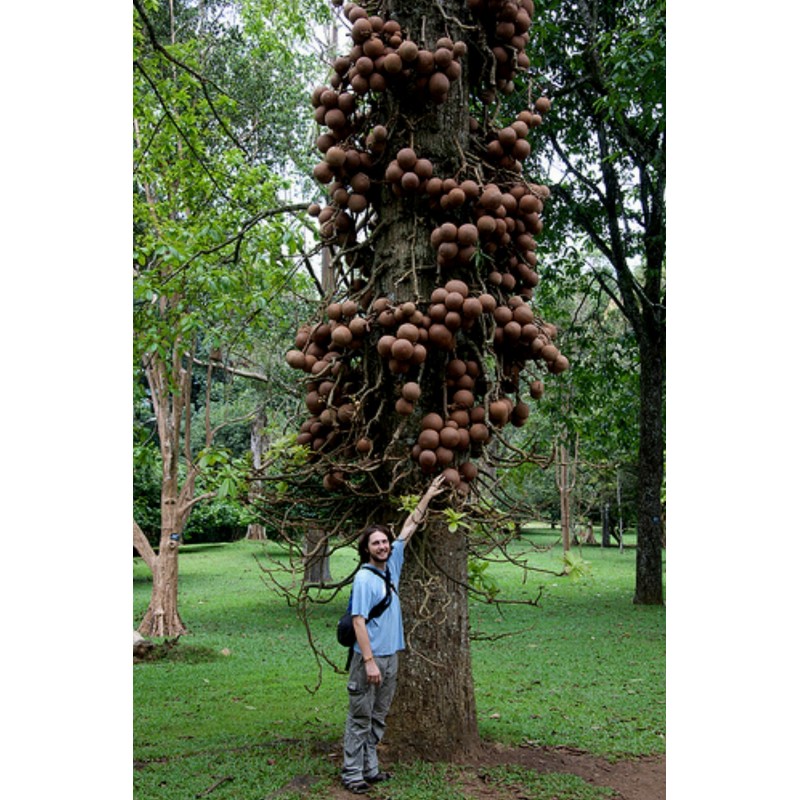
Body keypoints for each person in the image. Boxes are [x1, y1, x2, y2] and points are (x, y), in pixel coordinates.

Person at [341, 474, 447, 794]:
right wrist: (370, 661)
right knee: (360, 716)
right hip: (368, 659)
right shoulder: (363, 579)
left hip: (391, 657)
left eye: (385, 541)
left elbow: (410, 527)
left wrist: (428, 494)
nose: (383, 545)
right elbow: (358, 622)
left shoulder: (392, 567)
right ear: (366, 549)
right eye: (376, 543)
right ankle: (351, 773)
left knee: (378, 716)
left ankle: (371, 769)